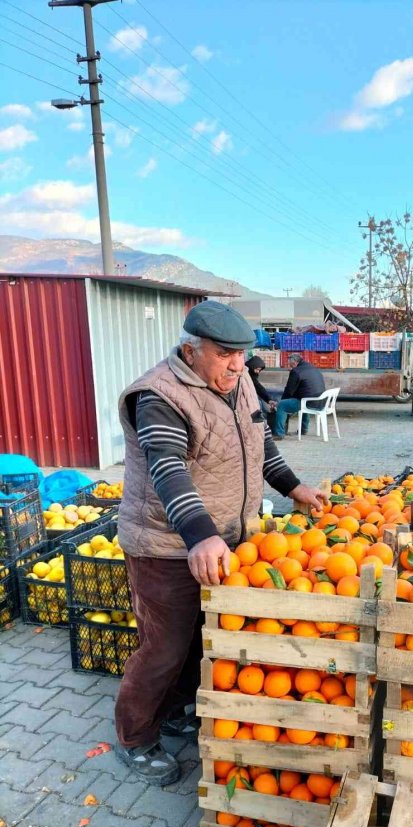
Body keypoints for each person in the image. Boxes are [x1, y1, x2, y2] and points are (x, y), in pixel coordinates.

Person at [114, 301, 326, 785]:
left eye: (242, 353)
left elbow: (261, 445)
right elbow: (167, 470)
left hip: (221, 541)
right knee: (164, 646)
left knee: (198, 640)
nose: (237, 363)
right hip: (167, 544)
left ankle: (173, 713)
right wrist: (201, 535)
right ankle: (135, 736)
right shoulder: (160, 396)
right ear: (191, 351)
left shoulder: (239, 381)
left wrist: (294, 487)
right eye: (225, 353)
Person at [272, 352, 326, 440]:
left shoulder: (295, 371)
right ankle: (303, 429)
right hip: (321, 401)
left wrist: (281, 402)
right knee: (304, 399)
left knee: (282, 405)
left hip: (310, 402)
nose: (290, 367)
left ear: (294, 363)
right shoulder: (312, 367)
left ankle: (279, 434)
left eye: (290, 365)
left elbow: (289, 390)